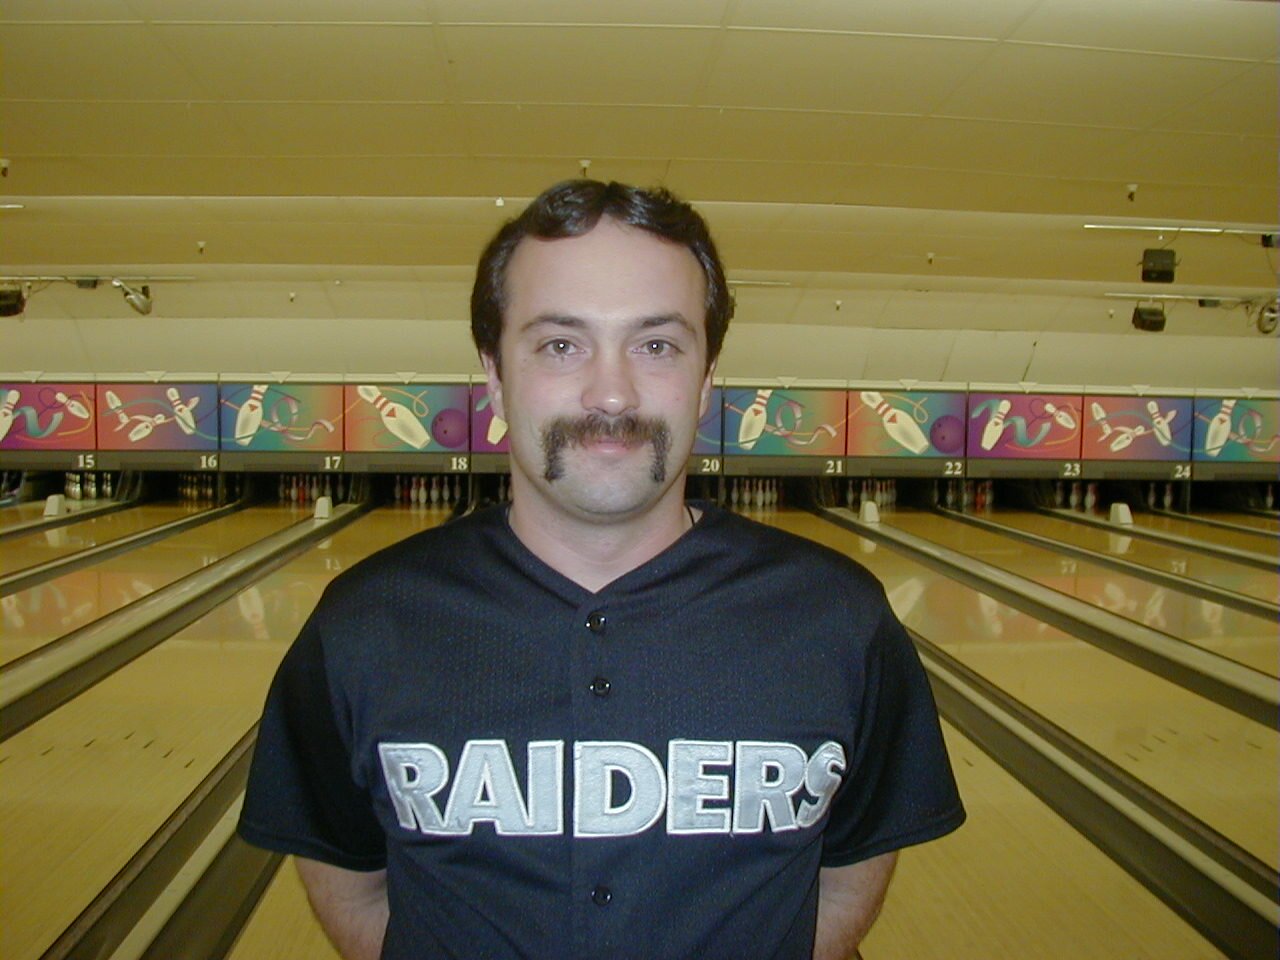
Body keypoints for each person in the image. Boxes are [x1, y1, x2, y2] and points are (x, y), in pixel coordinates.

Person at [238, 179, 965, 960]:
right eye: (561, 344)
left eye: (657, 345)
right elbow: (348, 879)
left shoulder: (838, 618)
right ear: (494, 376)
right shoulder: (364, 623)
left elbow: (850, 873)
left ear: (706, 379)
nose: (612, 393)